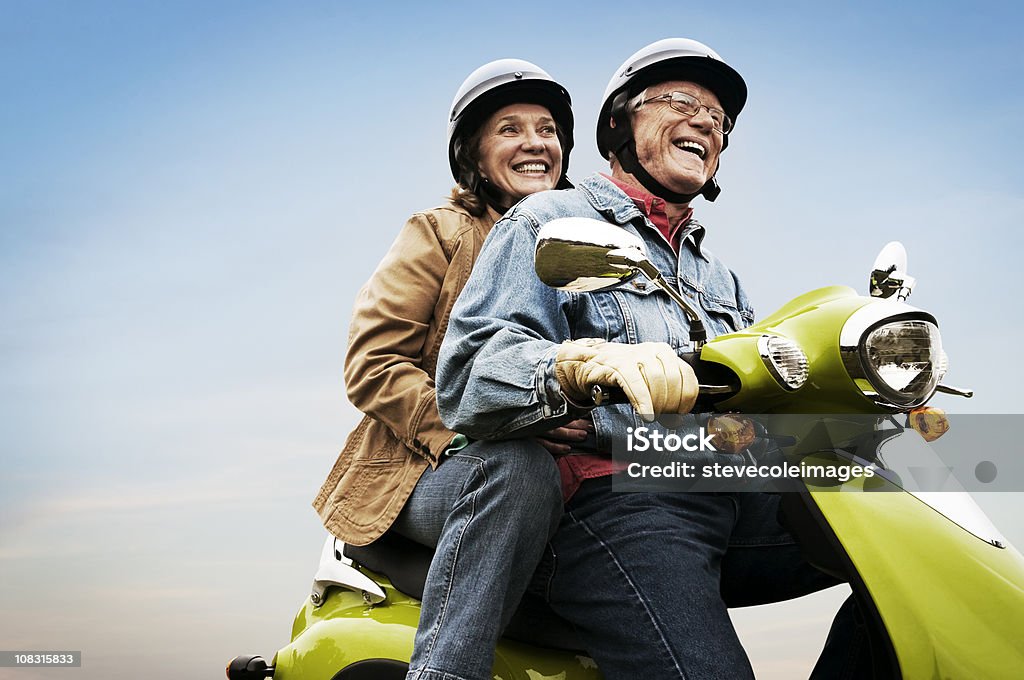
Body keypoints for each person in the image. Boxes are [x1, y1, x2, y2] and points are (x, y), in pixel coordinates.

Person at [436, 39, 866, 679]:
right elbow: (469, 370)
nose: (704, 123)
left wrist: (858, 402)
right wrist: (582, 364)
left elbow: (762, 401)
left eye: (718, 120)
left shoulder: (718, 275)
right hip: (616, 497)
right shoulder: (549, 219)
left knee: (905, 540)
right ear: (619, 123)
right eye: (681, 102)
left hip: (723, 490)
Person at [312, 60, 578, 680]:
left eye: (547, 129)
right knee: (516, 466)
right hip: (429, 467)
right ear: (474, 157)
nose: (535, 143)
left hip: (567, 473)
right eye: (509, 129)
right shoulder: (439, 233)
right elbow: (372, 362)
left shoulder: (585, 243)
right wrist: (479, 425)